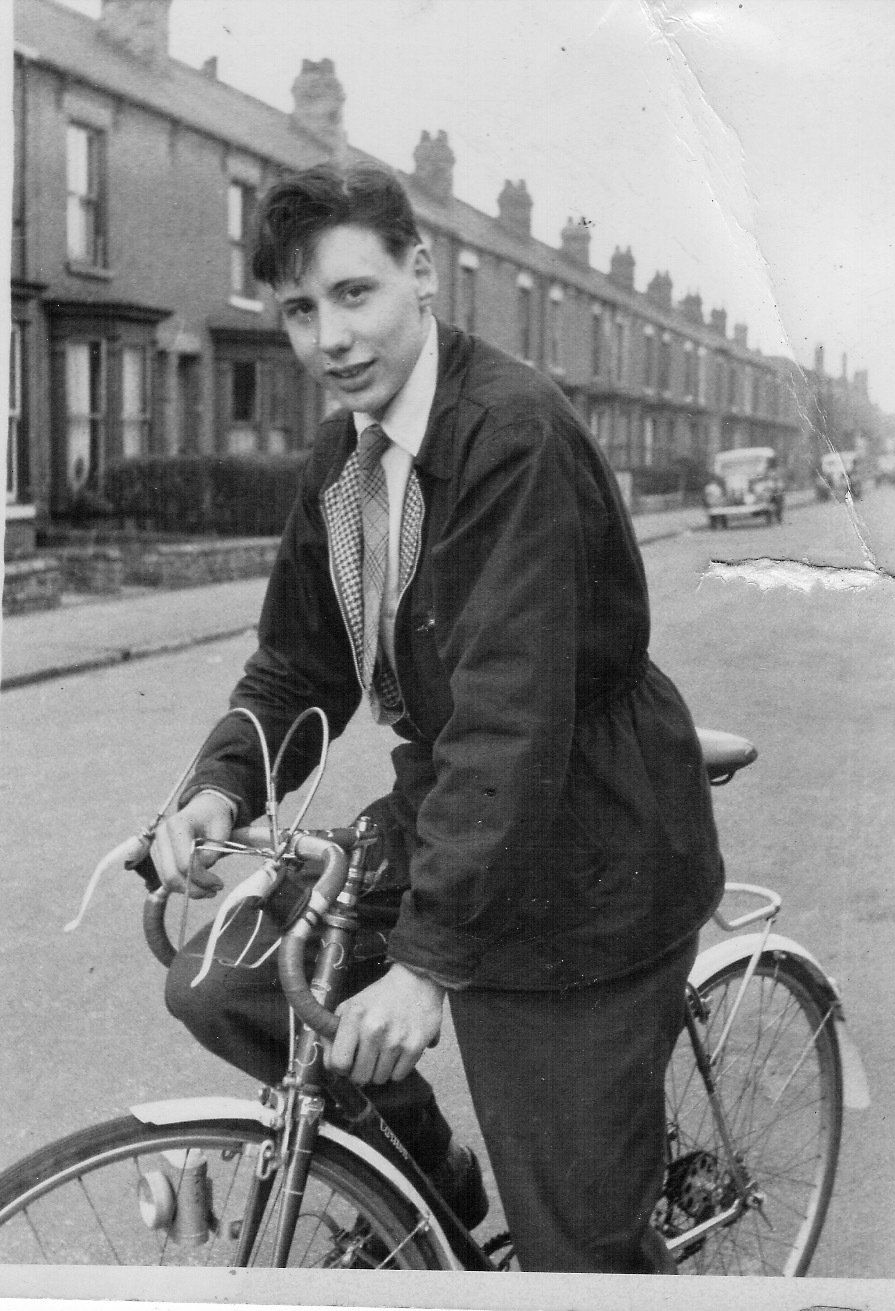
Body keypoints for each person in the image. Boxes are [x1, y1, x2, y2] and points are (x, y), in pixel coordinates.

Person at [153, 161, 724, 1273]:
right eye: (301, 310)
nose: (330, 337)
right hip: (461, 807)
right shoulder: (343, 461)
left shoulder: (513, 433)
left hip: (590, 843)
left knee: (578, 1257)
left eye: (353, 294)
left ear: (422, 275)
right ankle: (429, 1197)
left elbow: (511, 720)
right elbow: (295, 666)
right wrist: (215, 791)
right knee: (228, 982)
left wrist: (423, 966)